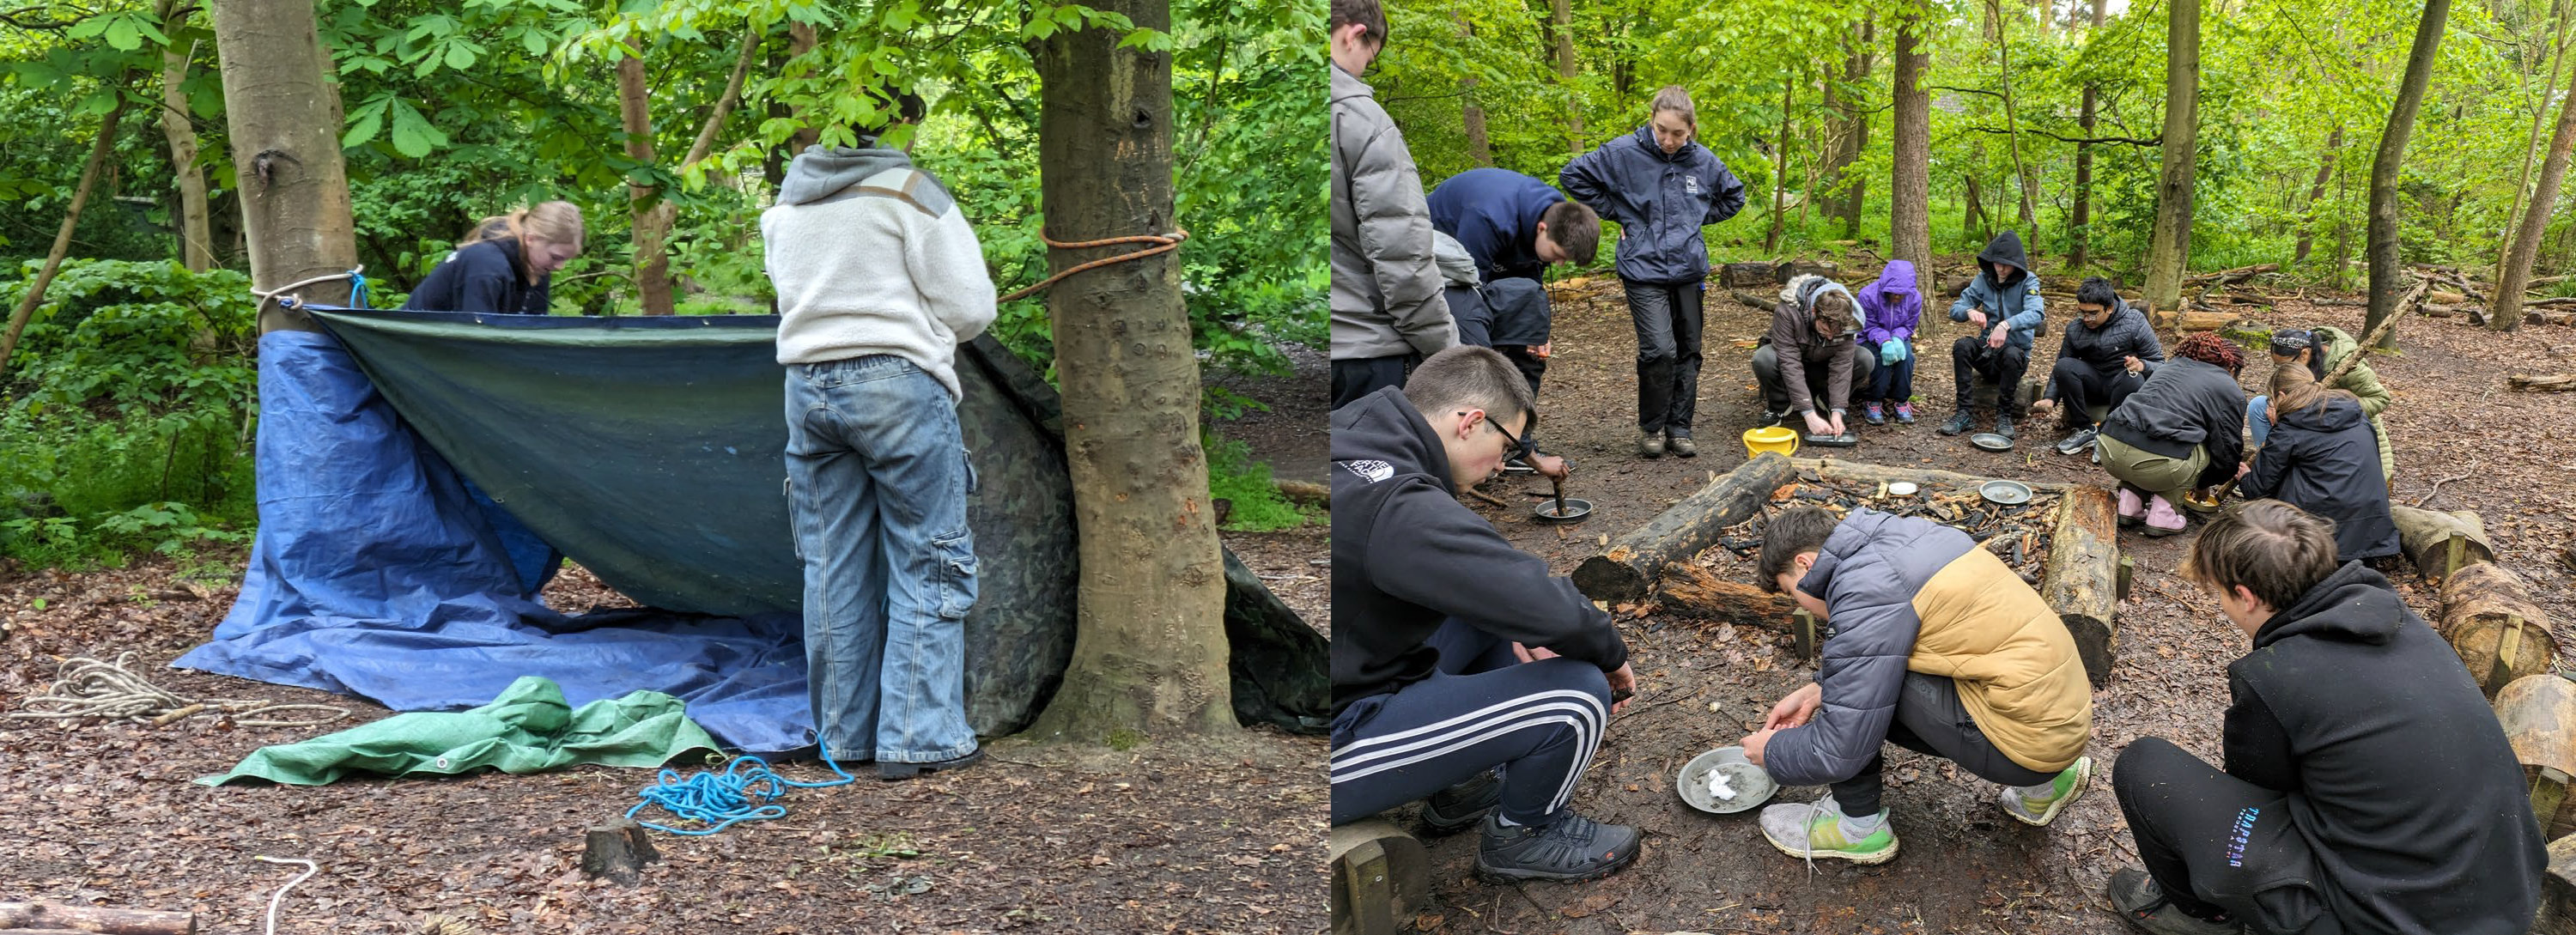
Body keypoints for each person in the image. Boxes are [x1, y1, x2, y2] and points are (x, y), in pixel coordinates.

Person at [2106, 501, 2542, 935]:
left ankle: (2201, 917)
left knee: (2145, 767)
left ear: (2246, 596)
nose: (2220, 604)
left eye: (2218, 593)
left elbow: (2257, 787)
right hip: (2505, 900)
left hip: (2387, 921)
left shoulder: (2279, 677)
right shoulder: (2401, 623)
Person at [1330, 345, 1643, 883]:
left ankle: (1460, 786)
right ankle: (1525, 837)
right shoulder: (1396, 503)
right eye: (1506, 446)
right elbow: (1549, 607)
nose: (1503, 465)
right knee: (1577, 695)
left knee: (1483, 614)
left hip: (1342, 669)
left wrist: (1514, 620)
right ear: (1471, 422)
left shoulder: (1356, 431)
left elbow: (1491, 583)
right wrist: (1611, 655)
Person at [764, 90, 994, 780]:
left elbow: (787, 292)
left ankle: (844, 734)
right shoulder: (910, 190)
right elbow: (971, 307)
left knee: (831, 566)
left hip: (806, 387)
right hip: (896, 382)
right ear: (898, 123)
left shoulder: (788, 203)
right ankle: (918, 737)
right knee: (928, 556)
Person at [1742, 506, 2093, 865]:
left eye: (1791, 593)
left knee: (1859, 700)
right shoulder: (1907, 539)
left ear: (1804, 563)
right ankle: (2045, 789)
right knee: (1858, 685)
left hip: (2026, 748)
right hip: (2061, 720)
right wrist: (1815, 689)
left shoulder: (1864, 587)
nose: (1798, 603)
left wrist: (1772, 752)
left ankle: (1855, 829)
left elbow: (1841, 746)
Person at [1561, 86, 1746, 458]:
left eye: (1678, 133)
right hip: (1642, 269)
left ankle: (1680, 427)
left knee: (1688, 351)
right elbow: (1573, 176)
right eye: (1662, 129)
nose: (1668, 139)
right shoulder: (1623, 152)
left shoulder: (1704, 161)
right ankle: (1652, 426)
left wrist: (1694, 220)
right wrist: (1621, 214)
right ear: (1652, 120)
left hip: (1688, 269)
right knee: (1659, 350)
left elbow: (1733, 197)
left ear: (1691, 128)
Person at [1330, 0, 1454, 410]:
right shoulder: (1361, 121)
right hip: (1363, 354)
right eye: (1371, 58)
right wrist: (1445, 352)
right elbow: (1404, 258)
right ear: (1355, 34)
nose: (1366, 69)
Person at [1432, 232, 1566, 478]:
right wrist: (1536, 461)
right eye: (1524, 341)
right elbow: (1486, 398)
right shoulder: (1471, 329)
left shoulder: (1481, 298)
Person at [2236, 363, 2399, 564]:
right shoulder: (2357, 415)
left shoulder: (2289, 429)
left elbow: (2257, 490)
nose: (2271, 406)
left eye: (2271, 401)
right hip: (2372, 531)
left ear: (2281, 396)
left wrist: (2244, 476)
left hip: (2319, 538)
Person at [2097, 332, 2246, 538]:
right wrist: (2204, 483)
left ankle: (2128, 504)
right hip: (2161, 464)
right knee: (2198, 446)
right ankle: (2163, 514)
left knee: (2152, 441)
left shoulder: (2169, 367)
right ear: (2231, 368)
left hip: (2109, 448)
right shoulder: (2227, 386)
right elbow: (2228, 450)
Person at [2030, 276, 2164, 456]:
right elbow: (2061, 364)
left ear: (2109, 308)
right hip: (2092, 382)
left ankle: (2109, 435)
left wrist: (2142, 365)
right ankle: (2085, 429)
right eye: (2082, 313)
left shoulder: (2134, 322)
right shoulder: (2075, 328)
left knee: (2134, 378)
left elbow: (2159, 363)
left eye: (2093, 313)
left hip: (2122, 383)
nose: (2086, 318)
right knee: (2064, 365)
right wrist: (2050, 398)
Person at [2247, 327, 2394, 482]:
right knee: (2259, 405)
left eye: (2284, 366)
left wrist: (2324, 410)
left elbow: (2380, 398)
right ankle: (2268, 471)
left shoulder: (2348, 364)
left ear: (2304, 354)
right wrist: (2274, 403)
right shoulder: (2305, 359)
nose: (2282, 370)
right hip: (2311, 422)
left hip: (2344, 428)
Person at [1938, 231, 2045, 440]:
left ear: (2016, 263)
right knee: (1962, 346)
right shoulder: (1984, 279)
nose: (2001, 269)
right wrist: (1969, 311)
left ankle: (2004, 415)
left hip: (2015, 357)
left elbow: (2036, 313)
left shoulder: (2029, 282)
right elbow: (1956, 308)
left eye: (2006, 264)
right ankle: (1964, 413)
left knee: (2013, 354)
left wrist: (2006, 325)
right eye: (1997, 263)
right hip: (1988, 353)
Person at [1425, 167, 1601, 284]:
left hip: (1496, 238)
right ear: (1541, 228)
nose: (1560, 264)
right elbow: (1472, 285)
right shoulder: (1490, 219)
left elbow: (1528, 285)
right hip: (1437, 237)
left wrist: (1537, 333)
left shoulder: (1554, 215)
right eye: (1557, 254)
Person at [404, 201, 584, 315]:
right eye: (556, 257)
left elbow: (533, 330)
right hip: (411, 351)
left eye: (566, 259)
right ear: (530, 239)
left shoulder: (537, 265)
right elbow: (476, 338)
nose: (560, 266)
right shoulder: (486, 265)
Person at [1751, 275, 1874, 441]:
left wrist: (1838, 409)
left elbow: (1842, 366)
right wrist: (1808, 414)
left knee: (1865, 358)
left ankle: (1826, 401)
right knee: (1764, 358)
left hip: (1822, 367)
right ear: (1815, 312)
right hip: (1792, 364)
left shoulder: (1848, 319)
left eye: (1835, 333)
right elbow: (1789, 362)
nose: (1830, 337)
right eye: (1824, 330)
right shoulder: (1788, 311)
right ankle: (1781, 404)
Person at [1855, 259, 1923, 426]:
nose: (1897, 296)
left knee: (1906, 358)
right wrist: (1884, 340)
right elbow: (1867, 325)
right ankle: (1873, 401)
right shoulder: (1867, 295)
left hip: (1899, 337)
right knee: (1880, 358)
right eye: (1893, 292)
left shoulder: (1915, 297)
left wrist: (1898, 338)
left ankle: (1901, 401)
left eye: (1901, 294)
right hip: (1870, 337)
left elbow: (1909, 325)